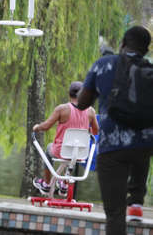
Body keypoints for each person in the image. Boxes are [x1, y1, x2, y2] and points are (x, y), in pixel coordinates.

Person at [78, 26, 152, 234]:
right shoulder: (148, 70)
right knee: (140, 151)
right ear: (146, 50)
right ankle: (136, 201)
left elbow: (83, 103)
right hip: (145, 144)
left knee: (115, 214)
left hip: (112, 146)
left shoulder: (104, 65)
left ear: (122, 44)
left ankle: (130, 205)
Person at [32, 81, 99, 196]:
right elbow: (96, 131)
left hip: (61, 151)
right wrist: (87, 130)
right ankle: (64, 184)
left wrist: (37, 127)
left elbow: (46, 126)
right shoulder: (91, 111)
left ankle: (47, 184)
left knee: (49, 149)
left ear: (69, 94)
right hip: (81, 153)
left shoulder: (62, 109)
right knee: (73, 154)